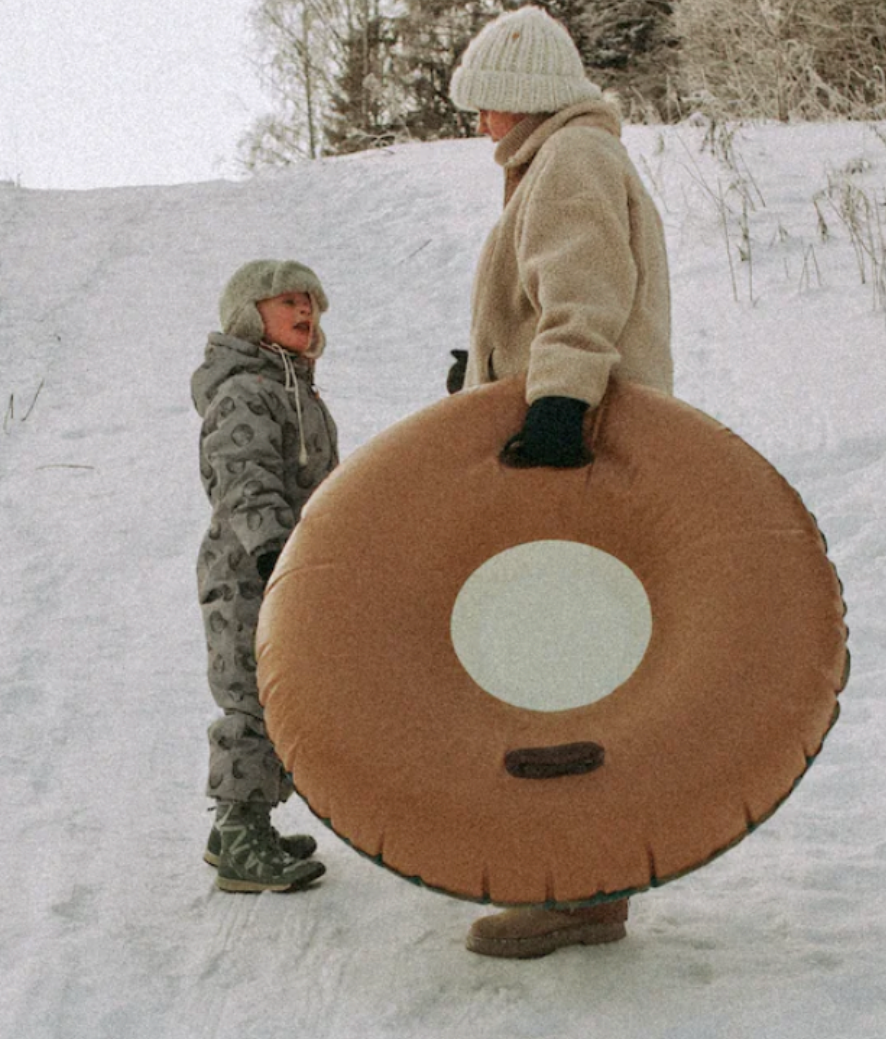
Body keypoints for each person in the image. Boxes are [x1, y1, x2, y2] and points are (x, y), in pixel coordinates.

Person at [447, 7, 674, 956]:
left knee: (559, 664)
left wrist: (555, 405)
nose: (480, 127)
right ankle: (592, 883)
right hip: (580, 439)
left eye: (487, 109)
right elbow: (538, 300)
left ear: (519, 101)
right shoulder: (559, 160)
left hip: (579, 449)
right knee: (576, 656)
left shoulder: (571, 161)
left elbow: (581, 295)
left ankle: (571, 885)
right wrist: (482, 376)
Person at [191, 259, 338, 893]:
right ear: (251, 315)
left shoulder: (295, 389)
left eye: (311, 302)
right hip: (250, 565)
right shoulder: (247, 391)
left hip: (287, 562)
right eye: (288, 303)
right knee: (252, 694)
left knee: (282, 689)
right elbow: (243, 482)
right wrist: (275, 552)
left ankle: (236, 831)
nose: (306, 311)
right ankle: (241, 837)